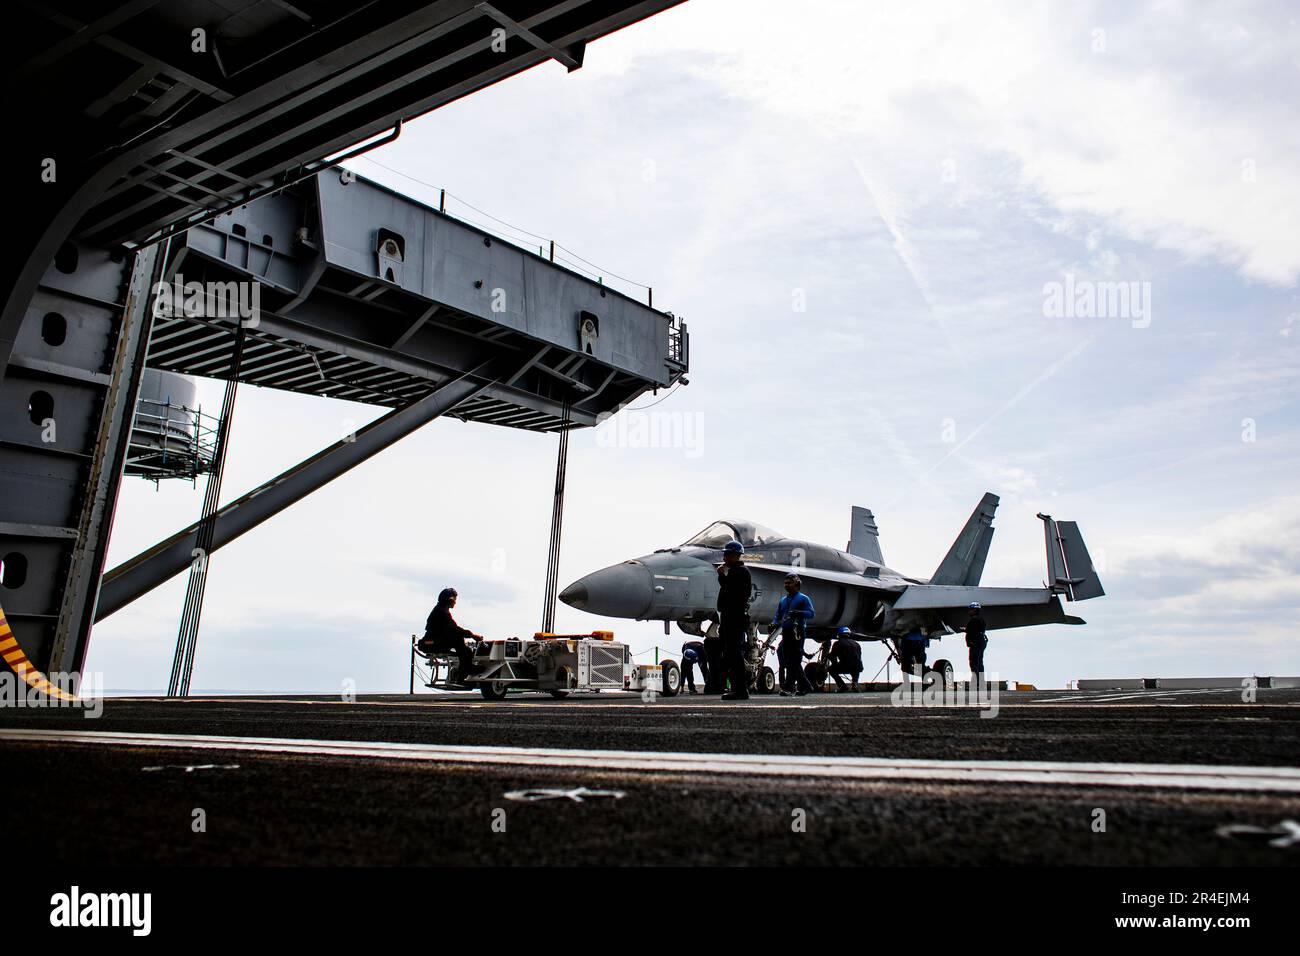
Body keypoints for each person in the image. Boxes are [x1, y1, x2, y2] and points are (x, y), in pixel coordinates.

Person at [418, 587, 480, 684]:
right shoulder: (442, 612)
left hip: (430, 642)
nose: (455, 602)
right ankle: (464, 675)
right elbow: (454, 629)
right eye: (455, 600)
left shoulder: (439, 610)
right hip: (434, 643)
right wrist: (472, 635)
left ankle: (462, 674)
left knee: (459, 641)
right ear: (450, 600)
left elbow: (451, 629)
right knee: (465, 649)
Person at [716, 540, 753, 701]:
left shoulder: (740, 572)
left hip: (734, 618)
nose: (724, 557)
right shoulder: (736, 571)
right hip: (731, 617)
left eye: (727, 554)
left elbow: (731, 593)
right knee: (731, 654)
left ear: (735, 555)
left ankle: (740, 690)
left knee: (734, 654)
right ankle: (737, 688)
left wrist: (721, 576)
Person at [772, 573, 815, 695]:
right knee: (790, 660)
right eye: (785, 583)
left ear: (797, 584)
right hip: (786, 632)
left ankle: (789, 687)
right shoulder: (783, 600)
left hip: (798, 631)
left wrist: (799, 613)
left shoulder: (803, 599)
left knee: (794, 660)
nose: (787, 585)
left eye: (789, 583)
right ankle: (805, 686)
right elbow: (778, 616)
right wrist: (773, 624)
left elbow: (811, 613)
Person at [828, 626, 862, 692]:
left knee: (831, 670)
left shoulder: (837, 643)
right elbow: (859, 657)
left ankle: (843, 686)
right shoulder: (856, 644)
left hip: (845, 666)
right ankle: (855, 684)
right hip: (858, 667)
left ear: (839, 635)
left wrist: (834, 664)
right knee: (856, 667)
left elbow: (833, 656)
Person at [965, 602, 988, 690]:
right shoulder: (982, 620)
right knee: (979, 662)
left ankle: (976, 683)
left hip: (975, 643)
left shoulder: (973, 620)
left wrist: (970, 641)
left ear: (975, 610)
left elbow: (970, 631)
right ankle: (981, 683)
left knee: (974, 663)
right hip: (981, 642)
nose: (969, 611)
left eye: (970, 609)